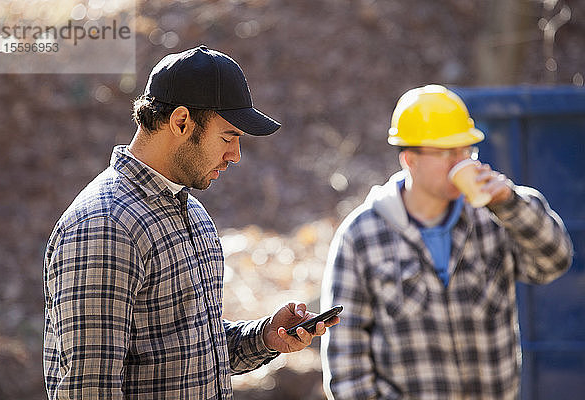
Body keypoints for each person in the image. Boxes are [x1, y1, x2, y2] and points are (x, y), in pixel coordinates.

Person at [43, 45, 339, 399]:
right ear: (181, 121)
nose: (236, 155)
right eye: (228, 136)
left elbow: (193, 349)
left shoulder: (193, 213)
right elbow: (88, 390)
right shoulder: (105, 227)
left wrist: (265, 337)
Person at [321, 84, 573, 400]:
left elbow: (554, 261)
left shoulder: (494, 217)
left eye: (465, 151)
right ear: (409, 160)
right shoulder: (360, 236)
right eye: (447, 153)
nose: (460, 162)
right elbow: (345, 365)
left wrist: (509, 202)